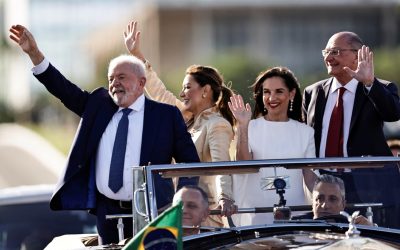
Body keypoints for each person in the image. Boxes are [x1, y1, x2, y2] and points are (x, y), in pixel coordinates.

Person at [9, 24, 200, 245]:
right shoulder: (98, 105)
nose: (114, 83)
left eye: (121, 77)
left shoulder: (166, 116)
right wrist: (35, 54)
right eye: (111, 79)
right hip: (106, 214)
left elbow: (189, 162)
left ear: (141, 83)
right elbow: (63, 89)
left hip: (154, 214)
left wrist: (183, 204)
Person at [124, 21, 237, 227]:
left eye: (187, 88)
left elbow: (223, 167)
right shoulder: (186, 120)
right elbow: (159, 92)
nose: (182, 93)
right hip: (181, 211)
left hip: (206, 216)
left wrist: (225, 198)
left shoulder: (217, 124)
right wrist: (137, 56)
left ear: (205, 91)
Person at [302, 31, 400, 227]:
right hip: (325, 186)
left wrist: (369, 83)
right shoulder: (313, 92)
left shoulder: (378, 87)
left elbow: (393, 114)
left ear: (357, 55)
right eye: (326, 52)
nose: (329, 58)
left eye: (336, 52)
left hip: (366, 184)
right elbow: (307, 139)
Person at [228, 66, 316, 226]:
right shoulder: (249, 126)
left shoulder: (306, 132)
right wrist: (242, 126)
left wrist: (328, 198)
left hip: (294, 212)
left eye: (279, 91)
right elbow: (243, 164)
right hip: (256, 212)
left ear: (292, 94)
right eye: (267, 92)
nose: (272, 97)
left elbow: (310, 178)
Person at [292, 174, 374, 226]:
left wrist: (371, 230)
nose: (325, 205)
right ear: (312, 203)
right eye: (320, 198)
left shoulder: (354, 227)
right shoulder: (296, 226)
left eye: (332, 199)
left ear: (343, 205)